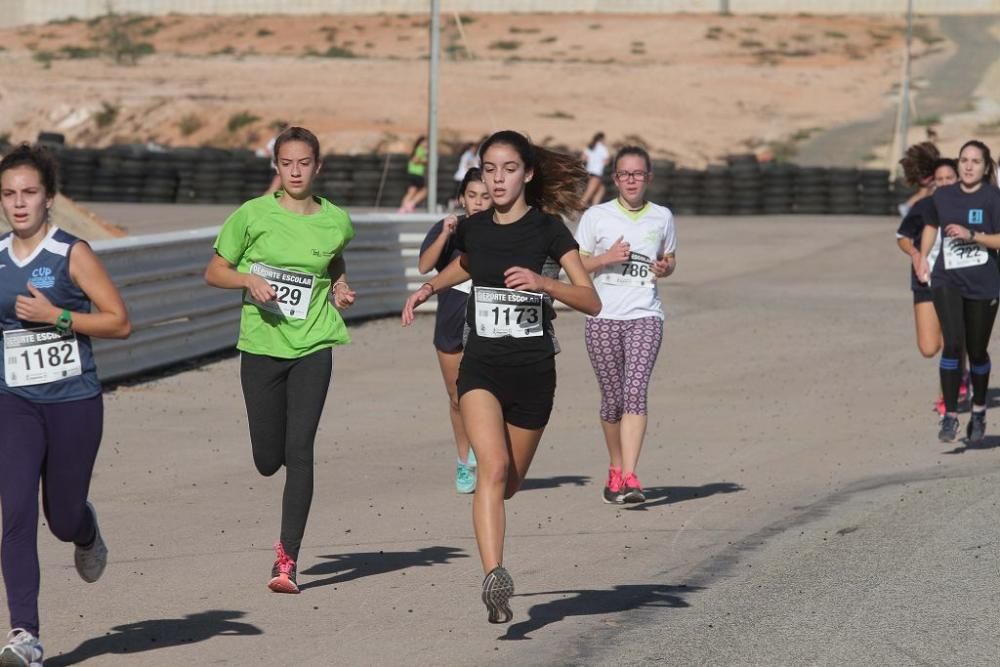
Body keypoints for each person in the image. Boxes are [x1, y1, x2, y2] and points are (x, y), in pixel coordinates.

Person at [402, 130, 600, 624]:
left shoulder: (548, 230)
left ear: (527, 173)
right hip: (482, 367)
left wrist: (543, 282)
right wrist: (429, 288)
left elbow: (591, 300)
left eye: (508, 169)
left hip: (534, 373)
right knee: (488, 471)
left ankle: (495, 560)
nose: (497, 179)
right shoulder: (474, 227)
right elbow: (467, 263)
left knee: (508, 483)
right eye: (489, 169)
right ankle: (495, 577)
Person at [204, 126, 356, 594]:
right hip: (261, 348)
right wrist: (248, 279)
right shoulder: (251, 215)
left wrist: (339, 284)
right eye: (286, 162)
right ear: (276, 166)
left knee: (301, 451)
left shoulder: (336, 220)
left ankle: (287, 561)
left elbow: (332, 259)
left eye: (303, 162)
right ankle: (271, 470)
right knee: (268, 459)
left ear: (317, 166)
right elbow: (214, 271)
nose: (295, 170)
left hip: (314, 344)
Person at [0, 144, 132, 666]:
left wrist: (56, 317)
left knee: (61, 517)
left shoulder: (72, 253)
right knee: (15, 513)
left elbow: (119, 322)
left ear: (49, 198)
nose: (18, 203)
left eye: (29, 192)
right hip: (13, 402)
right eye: (8, 194)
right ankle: (24, 635)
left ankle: (85, 528)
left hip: (73, 401)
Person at [575, 146, 676, 505]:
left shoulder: (661, 217)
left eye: (638, 174)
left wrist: (666, 267)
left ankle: (631, 478)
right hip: (602, 316)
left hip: (645, 314)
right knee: (612, 401)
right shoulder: (596, 217)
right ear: (615, 178)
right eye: (624, 174)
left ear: (648, 177)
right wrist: (606, 258)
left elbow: (669, 256)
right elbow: (574, 266)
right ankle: (616, 468)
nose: (631, 180)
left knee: (635, 391)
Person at [917, 140, 1000, 444]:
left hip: (983, 282)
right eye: (964, 160)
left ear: (985, 166)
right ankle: (950, 416)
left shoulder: (994, 198)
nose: (968, 166)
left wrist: (973, 236)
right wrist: (922, 257)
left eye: (975, 161)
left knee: (976, 350)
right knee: (952, 343)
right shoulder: (944, 196)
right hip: (947, 279)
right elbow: (930, 225)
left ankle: (978, 411)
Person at [418, 168, 491, 494]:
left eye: (485, 196)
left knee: (489, 394)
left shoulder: (503, 230)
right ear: (462, 197)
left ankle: (487, 451)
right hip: (450, 324)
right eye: (472, 196)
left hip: (489, 325)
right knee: (458, 398)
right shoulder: (450, 228)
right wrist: (446, 234)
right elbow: (424, 266)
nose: (478, 203)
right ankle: (465, 461)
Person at [895, 156, 961, 415]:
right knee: (928, 347)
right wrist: (914, 253)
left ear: (958, 180)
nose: (944, 183)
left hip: (958, 282)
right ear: (933, 182)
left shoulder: (968, 206)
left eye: (949, 178)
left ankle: (948, 394)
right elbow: (902, 236)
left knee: (952, 342)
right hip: (925, 281)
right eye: (940, 179)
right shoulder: (923, 206)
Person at [399, 136, 429, 213]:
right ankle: (411, 204)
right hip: (416, 173)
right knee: (425, 191)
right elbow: (415, 160)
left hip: (412, 172)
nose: (426, 143)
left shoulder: (417, 149)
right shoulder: (421, 149)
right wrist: (425, 161)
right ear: (420, 142)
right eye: (424, 142)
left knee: (411, 191)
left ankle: (403, 208)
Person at [581, 132, 610, 208]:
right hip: (597, 174)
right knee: (586, 197)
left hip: (589, 173)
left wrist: (591, 160)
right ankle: (575, 212)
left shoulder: (590, 147)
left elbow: (583, 158)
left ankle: (594, 210)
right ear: (602, 139)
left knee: (601, 190)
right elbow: (606, 161)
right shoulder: (603, 148)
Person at [449, 142, 480, 210]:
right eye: (473, 148)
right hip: (461, 177)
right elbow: (468, 165)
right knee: (461, 193)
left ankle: (454, 204)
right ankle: (454, 204)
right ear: (470, 148)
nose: (475, 150)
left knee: (459, 193)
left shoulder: (467, 154)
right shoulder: (468, 154)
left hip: (460, 177)